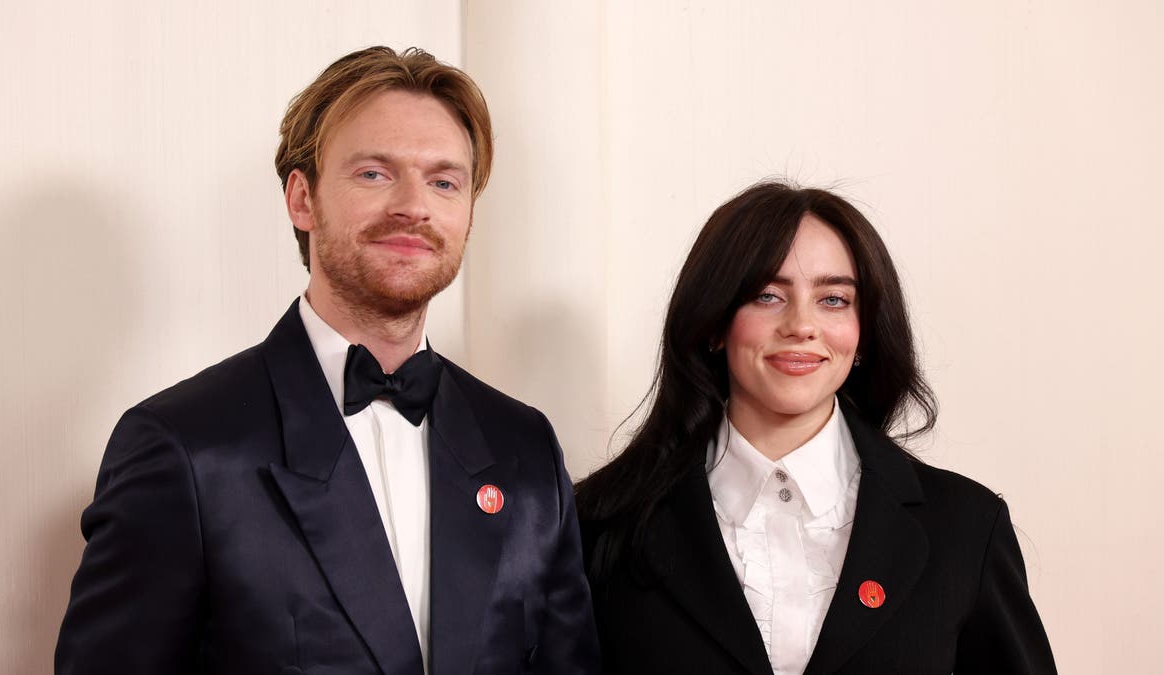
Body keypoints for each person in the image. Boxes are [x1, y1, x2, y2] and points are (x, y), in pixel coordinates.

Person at [56, 46, 598, 675]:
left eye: (444, 181)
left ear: (468, 217)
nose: (413, 206)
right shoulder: (182, 446)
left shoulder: (525, 446)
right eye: (374, 173)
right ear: (302, 199)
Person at [576, 182, 1055, 674]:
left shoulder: (965, 529)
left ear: (864, 331)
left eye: (833, 299)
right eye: (766, 295)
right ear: (715, 324)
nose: (802, 325)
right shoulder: (600, 526)